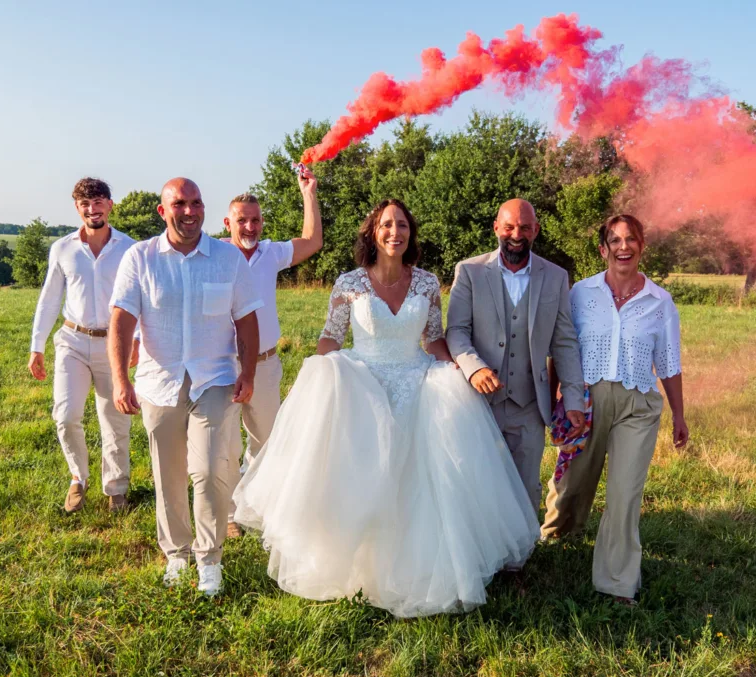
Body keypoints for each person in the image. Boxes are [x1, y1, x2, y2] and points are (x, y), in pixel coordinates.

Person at [233, 199, 539, 619]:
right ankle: (358, 566)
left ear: (410, 234)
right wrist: (318, 379)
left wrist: (457, 373)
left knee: (426, 479)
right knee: (364, 476)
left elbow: (433, 339)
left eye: (402, 225)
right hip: (363, 383)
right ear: (373, 233)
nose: (395, 232)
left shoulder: (428, 284)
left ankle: (425, 568)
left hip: (416, 380)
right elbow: (331, 337)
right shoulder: (350, 283)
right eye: (387, 225)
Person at [107, 178, 263, 597]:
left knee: (212, 469)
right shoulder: (139, 259)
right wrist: (121, 379)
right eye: (180, 204)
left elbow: (246, 319)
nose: (190, 211)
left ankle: (210, 558)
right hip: (159, 383)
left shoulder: (228, 258)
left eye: (196, 203)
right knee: (168, 474)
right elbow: (121, 321)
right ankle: (177, 554)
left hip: (215, 379)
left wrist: (247, 372)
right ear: (164, 211)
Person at [542, 214, 689, 605]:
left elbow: (669, 362)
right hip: (585, 403)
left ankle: (617, 582)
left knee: (624, 495)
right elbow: (563, 348)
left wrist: (679, 415)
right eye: (615, 240)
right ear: (603, 248)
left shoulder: (660, 302)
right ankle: (557, 535)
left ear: (642, 246)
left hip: (636, 405)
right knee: (572, 482)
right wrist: (556, 398)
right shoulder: (580, 294)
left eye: (631, 239)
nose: (624, 246)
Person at [446, 199, 586, 514]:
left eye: (524, 227)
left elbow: (564, 342)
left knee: (525, 485)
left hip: (529, 404)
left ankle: (517, 560)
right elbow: (455, 331)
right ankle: (482, 555)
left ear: (535, 230)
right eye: (509, 226)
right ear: (496, 227)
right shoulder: (469, 271)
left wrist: (574, 400)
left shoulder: (555, 277)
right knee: (479, 481)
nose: (516, 234)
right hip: (478, 401)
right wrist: (474, 369)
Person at [28, 177, 138, 513]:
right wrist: (37, 346)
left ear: (110, 205)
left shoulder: (129, 248)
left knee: (115, 419)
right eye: (85, 204)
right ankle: (78, 478)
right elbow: (49, 299)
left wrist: (136, 341)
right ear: (78, 208)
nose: (92, 209)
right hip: (72, 341)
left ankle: (116, 488)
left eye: (98, 202)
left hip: (114, 344)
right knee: (65, 415)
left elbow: (142, 299)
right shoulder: (62, 248)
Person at [222, 169, 322, 537]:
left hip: (265, 364)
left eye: (255, 220)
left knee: (266, 441)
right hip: (223, 365)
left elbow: (312, 241)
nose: (249, 227)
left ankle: (257, 505)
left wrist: (308, 193)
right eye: (242, 220)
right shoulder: (214, 253)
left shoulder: (270, 253)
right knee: (226, 442)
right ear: (227, 222)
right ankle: (230, 513)